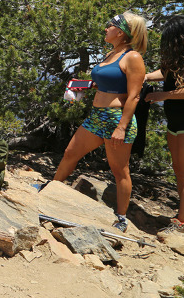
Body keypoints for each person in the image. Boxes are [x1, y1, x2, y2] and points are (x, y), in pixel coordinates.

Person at [52, 12, 147, 232]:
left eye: (110, 26)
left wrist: (122, 127)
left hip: (116, 119)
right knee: (70, 153)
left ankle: (121, 217)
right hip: (96, 116)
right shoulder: (111, 53)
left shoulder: (132, 57)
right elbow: (106, 83)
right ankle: (52, 190)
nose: (106, 29)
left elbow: (133, 96)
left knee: (120, 170)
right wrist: (85, 86)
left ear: (121, 32)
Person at [144, 15, 184, 235]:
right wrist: (145, 76)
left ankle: (182, 223)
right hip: (175, 121)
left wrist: (164, 95)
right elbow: (164, 73)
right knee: (179, 171)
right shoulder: (179, 57)